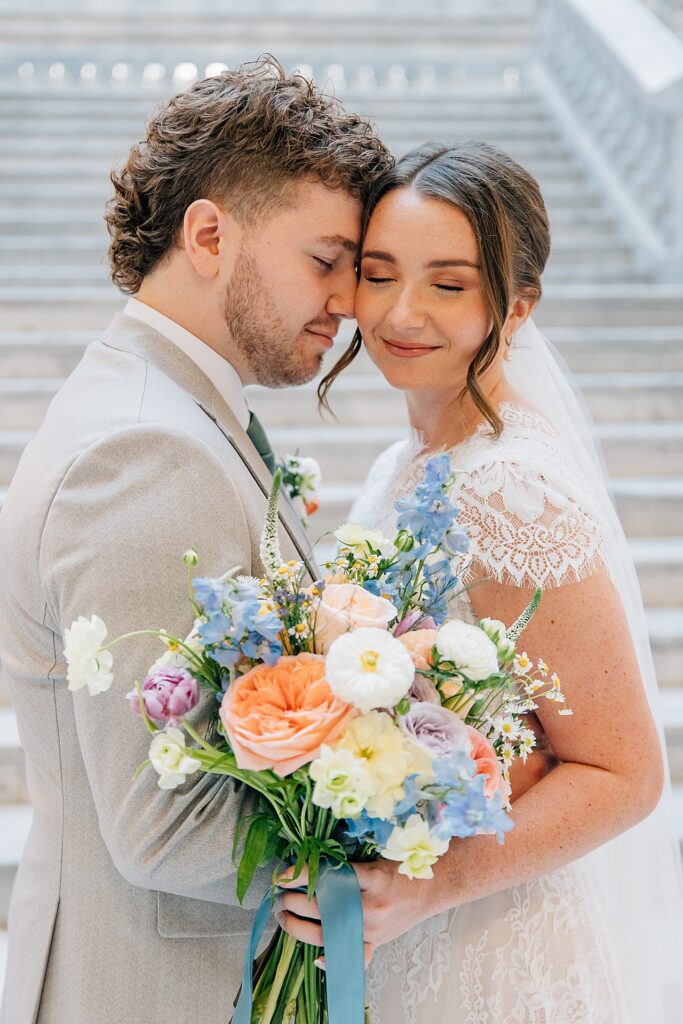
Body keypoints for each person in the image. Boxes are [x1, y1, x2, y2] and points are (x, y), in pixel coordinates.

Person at [0, 57, 390, 1024]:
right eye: (325, 258)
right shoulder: (144, 449)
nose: (350, 302)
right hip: (153, 989)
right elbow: (165, 824)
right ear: (210, 234)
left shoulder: (170, 412)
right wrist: (418, 818)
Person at [277, 141, 683, 1023]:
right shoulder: (407, 462)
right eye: (378, 276)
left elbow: (623, 771)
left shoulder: (506, 489)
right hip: (406, 925)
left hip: (490, 949)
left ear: (517, 304)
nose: (402, 312)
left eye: (448, 284)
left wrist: (428, 888)